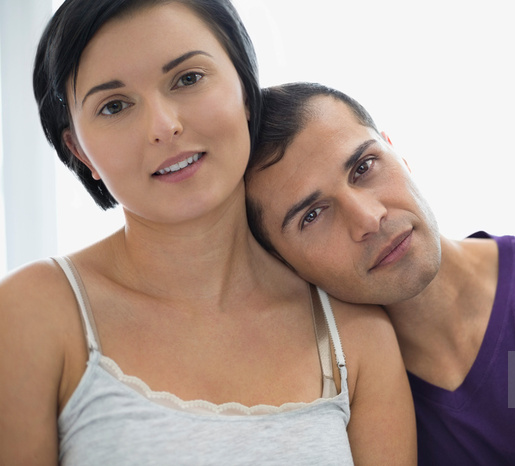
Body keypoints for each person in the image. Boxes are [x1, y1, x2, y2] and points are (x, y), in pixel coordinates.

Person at [0, 3, 416, 465]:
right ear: (80, 150)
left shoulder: (355, 336)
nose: (164, 127)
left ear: (243, 84)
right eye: (114, 106)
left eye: (188, 78)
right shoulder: (32, 314)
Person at [244, 82, 515, 465]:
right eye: (314, 214)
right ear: (282, 264)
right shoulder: (326, 392)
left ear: (397, 151)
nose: (369, 218)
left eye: (364, 167)